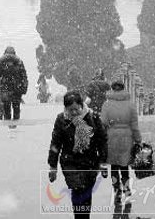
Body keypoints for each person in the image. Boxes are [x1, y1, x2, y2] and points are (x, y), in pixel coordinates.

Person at [48, 90, 108, 218]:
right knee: (77, 189)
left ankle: (84, 216)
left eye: (76, 109)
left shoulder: (92, 117)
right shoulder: (61, 120)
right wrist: (52, 166)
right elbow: (55, 144)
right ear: (66, 109)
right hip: (70, 162)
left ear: (82, 105)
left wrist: (103, 162)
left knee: (86, 192)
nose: (74, 112)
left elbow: (102, 141)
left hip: (90, 161)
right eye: (70, 110)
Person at [100, 80, 142, 216]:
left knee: (114, 165)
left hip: (111, 137)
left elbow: (103, 123)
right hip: (127, 137)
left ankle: (116, 190)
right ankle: (127, 187)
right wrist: (138, 139)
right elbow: (134, 125)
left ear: (112, 89)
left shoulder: (106, 105)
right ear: (124, 89)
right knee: (124, 165)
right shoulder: (130, 105)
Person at [0, 46, 28, 120]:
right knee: (16, 107)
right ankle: (15, 125)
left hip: (5, 87)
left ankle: (8, 125)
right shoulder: (19, 62)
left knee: (6, 108)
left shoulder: (3, 62)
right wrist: (24, 87)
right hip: (17, 87)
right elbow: (24, 76)